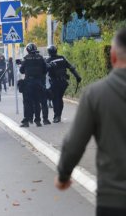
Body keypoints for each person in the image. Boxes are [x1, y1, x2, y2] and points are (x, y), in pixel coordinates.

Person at [55, 28, 126, 216]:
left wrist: (63, 175)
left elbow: (74, 144)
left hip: (114, 200)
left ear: (112, 56)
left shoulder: (96, 94)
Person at [46, 45, 82, 123]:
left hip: (55, 82)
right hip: (64, 82)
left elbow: (43, 71)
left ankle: (57, 116)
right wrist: (78, 77)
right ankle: (59, 115)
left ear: (49, 52)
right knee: (59, 98)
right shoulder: (62, 58)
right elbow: (71, 68)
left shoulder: (48, 60)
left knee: (55, 99)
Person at [19, 43, 47, 127]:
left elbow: (21, 71)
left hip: (28, 83)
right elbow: (45, 70)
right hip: (38, 82)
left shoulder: (26, 59)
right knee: (37, 102)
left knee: (27, 102)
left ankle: (26, 121)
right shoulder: (41, 58)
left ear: (27, 50)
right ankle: (38, 120)